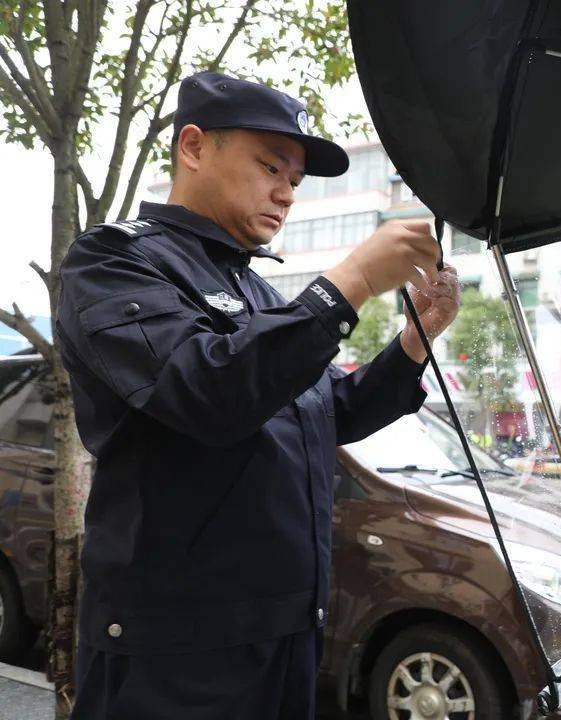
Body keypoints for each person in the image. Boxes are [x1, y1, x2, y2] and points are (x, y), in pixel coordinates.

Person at [56, 71, 461, 719]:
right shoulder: (114, 262)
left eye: (296, 182)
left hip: (286, 637)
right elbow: (206, 390)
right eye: (271, 166)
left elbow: (335, 411)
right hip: (174, 655)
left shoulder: (260, 293)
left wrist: (416, 339)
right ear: (193, 148)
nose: (286, 193)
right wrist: (352, 279)